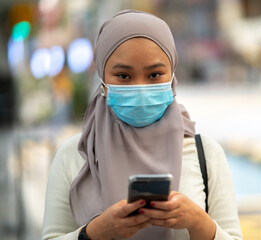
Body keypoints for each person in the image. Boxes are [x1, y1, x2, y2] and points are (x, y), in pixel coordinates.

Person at [42, 10, 242, 240]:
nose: (140, 87)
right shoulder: (74, 155)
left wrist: (198, 222)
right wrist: (96, 231)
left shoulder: (205, 154)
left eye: (155, 74)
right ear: (103, 80)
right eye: (124, 76)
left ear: (172, 77)